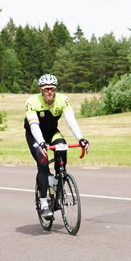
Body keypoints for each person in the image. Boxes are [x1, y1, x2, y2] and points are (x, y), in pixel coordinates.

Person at [24, 74, 90, 220]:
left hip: (52, 132)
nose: (49, 92)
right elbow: (34, 126)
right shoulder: (32, 102)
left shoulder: (62, 100)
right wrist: (41, 143)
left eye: (52, 88)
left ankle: (59, 182)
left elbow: (71, 120)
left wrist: (81, 138)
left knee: (62, 147)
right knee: (42, 163)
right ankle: (43, 204)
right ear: (40, 89)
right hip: (35, 135)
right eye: (46, 89)